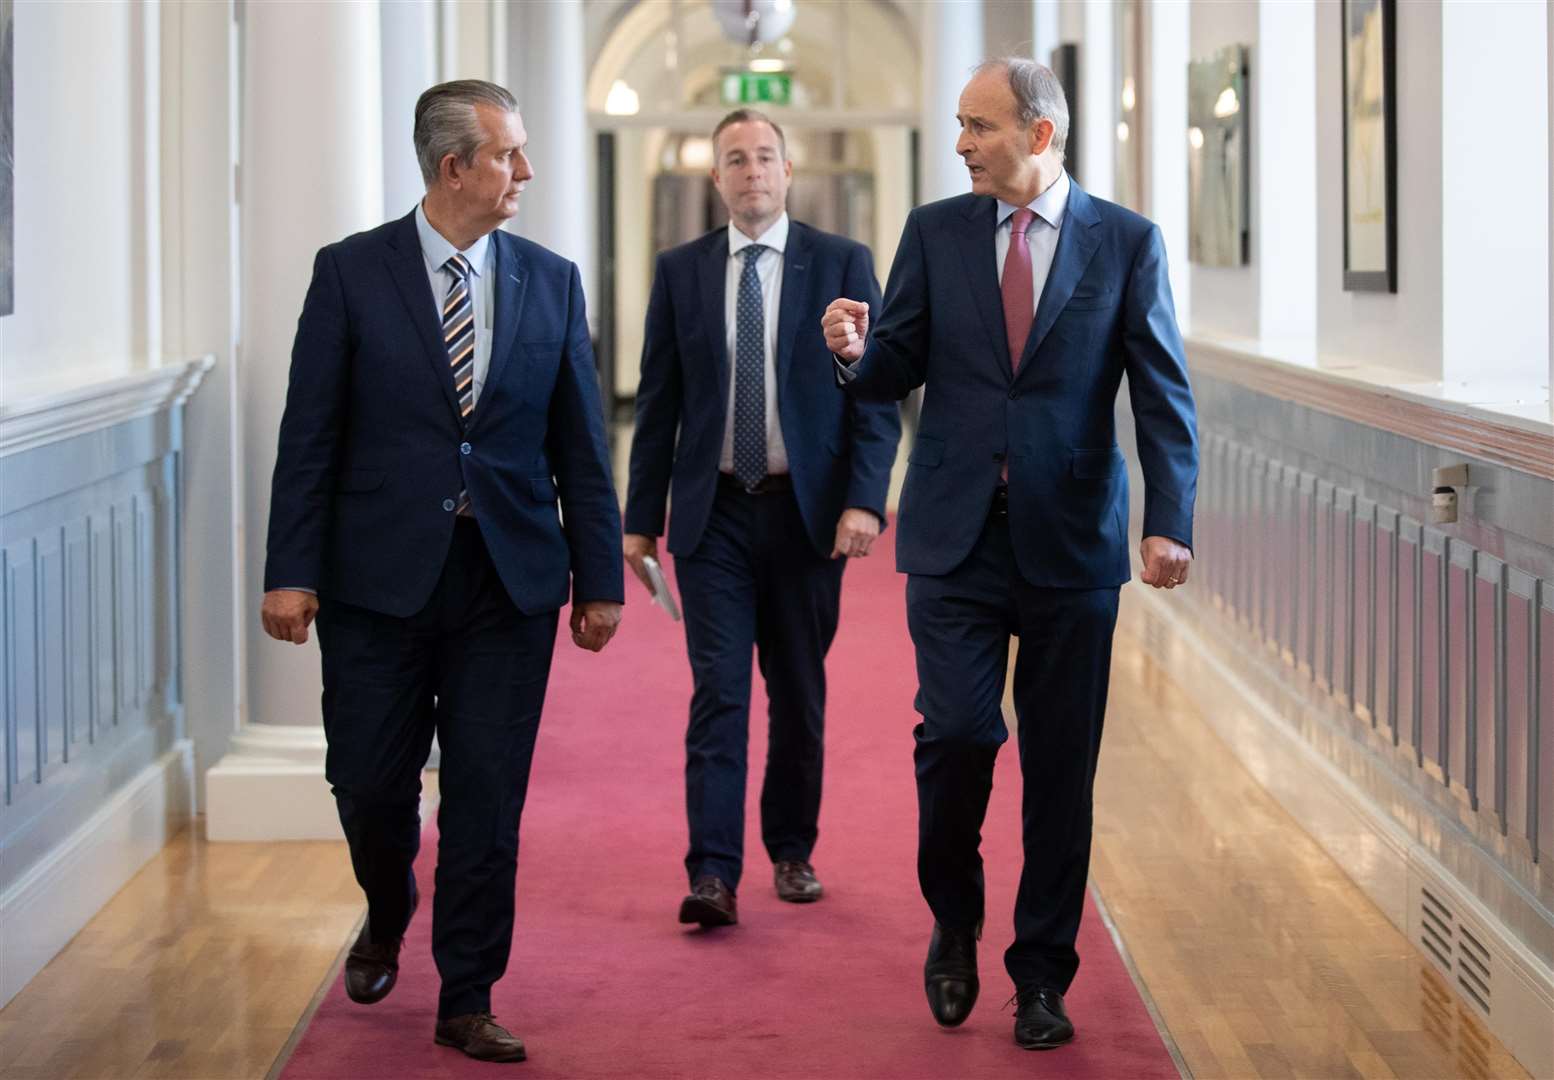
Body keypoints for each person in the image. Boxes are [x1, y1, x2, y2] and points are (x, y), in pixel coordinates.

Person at [822, 58, 1197, 1050]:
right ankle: (954, 918)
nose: (960, 144)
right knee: (957, 734)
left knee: (1061, 770)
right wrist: (854, 351)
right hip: (952, 536)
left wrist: (1170, 519)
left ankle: (1042, 976)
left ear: (1040, 135)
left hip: (1073, 543)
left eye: (978, 126)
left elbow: (1162, 391)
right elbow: (893, 366)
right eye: (957, 124)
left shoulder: (1126, 242)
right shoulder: (936, 234)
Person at [260, 79, 624, 1064]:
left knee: (486, 796)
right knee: (368, 783)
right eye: (509, 154)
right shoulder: (351, 273)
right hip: (376, 580)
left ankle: (467, 991)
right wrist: (289, 570)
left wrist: (601, 578)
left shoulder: (551, 280)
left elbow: (582, 447)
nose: (527, 172)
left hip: (508, 582)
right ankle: (388, 904)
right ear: (453, 164)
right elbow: (310, 437)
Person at [625, 109, 900, 928]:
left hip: (805, 519)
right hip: (712, 517)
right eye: (735, 160)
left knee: (799, 692)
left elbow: (878, 394)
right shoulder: (680, 272)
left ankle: (792, 850)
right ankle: (712, 872)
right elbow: (660, 402)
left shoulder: (840, 263)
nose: (752, 171)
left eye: (765, 157)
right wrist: (641, 521)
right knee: (718, 692)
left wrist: (863, 500)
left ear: (789, 171)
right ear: (717, 178)